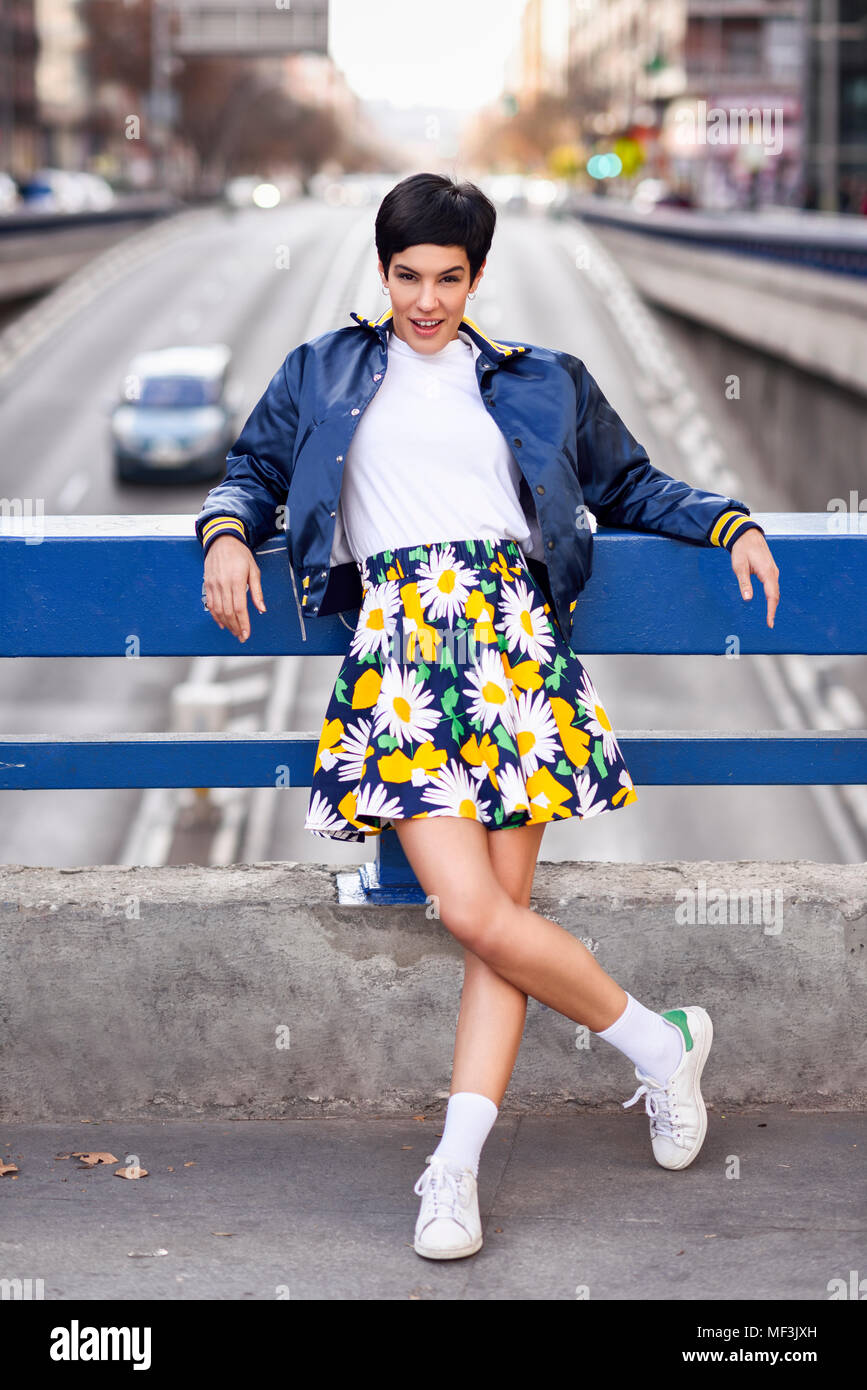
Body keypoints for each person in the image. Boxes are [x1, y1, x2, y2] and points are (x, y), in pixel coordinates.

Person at [197, 172, 780, 1263]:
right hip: (403, 661)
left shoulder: (542, 382)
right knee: (470, 911)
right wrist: (227, 534)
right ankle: (663, 1044)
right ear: (383, 272)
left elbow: (633, 485)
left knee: (495, 932)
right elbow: (250, 470)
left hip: (512, 648)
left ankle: (454, 1172)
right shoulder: (321, 370)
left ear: (477, 276)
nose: (427, 299)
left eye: (449, 277)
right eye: (409, 276)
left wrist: (728, 521)